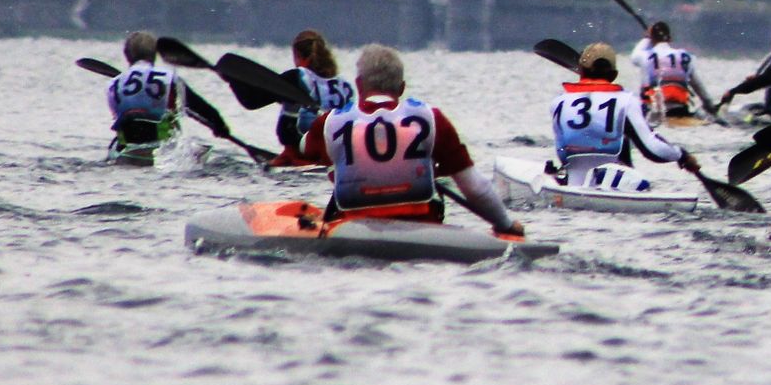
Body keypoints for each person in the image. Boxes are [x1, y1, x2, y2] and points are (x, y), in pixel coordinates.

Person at [294, 44, 522, 235]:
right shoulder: (432, 118)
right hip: (423, 230)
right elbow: (475, 188)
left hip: (352, 227)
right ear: (401, 88)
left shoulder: (329, 122)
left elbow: (304, 148)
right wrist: (506, 225)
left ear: (359, 85)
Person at [550, 42, 693, 180]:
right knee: (622, 137)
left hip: (569, 181)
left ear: (580, 71)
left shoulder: (558, 102)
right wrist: (681, 155)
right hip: (615, 183)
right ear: (614, 75)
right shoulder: (627, 102)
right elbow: (653, 151)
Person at [277, 29, 358, 155]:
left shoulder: (297, 76)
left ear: (298, 55)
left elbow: (261, 95)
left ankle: (292, 155)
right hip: (342, 147)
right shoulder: (344, 84)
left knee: (286, 125)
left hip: (308, 143)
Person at [105, 30, 182, 149]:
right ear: (154, 54)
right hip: (160, 140)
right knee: (172, 119)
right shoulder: (168, 77)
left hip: (127, 139)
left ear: (127, 55)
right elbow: (173, 112)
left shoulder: (113, 84)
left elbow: (117, 116)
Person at [632, 20, 715, 123]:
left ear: (652, 38)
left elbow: (634, 55)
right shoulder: (685, 57)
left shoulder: (645, 56)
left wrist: (646, 38)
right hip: (680, 112)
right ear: (670, 38)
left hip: (654, 114)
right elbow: (698, 87)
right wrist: (710, 106)